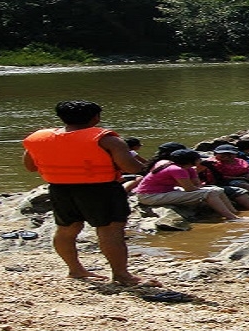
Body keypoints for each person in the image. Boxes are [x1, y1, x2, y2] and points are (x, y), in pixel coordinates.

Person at [21, 100, 156, 286]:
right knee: (110, 232)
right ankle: (121, 275)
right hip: (101, 189)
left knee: (66, 230)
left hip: (60, 189)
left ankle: (75, 270)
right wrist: (151, 166)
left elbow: (29, 167)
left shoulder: (39, 138)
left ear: (61, 117)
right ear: (95, 118)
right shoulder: (107, 140)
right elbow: (130, 167)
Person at [133, 149, 242, 221]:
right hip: (149, 196)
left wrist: (196, 174)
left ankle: (233, 213)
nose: (201, 160)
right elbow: (189, 188)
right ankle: (231, 217)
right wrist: (201, 188)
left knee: (217, 190)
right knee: (211, 192)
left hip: (162, 192)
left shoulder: (185, 167)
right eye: (198, 159)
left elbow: (197, 184)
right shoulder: (176, 169)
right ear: (191, 161)